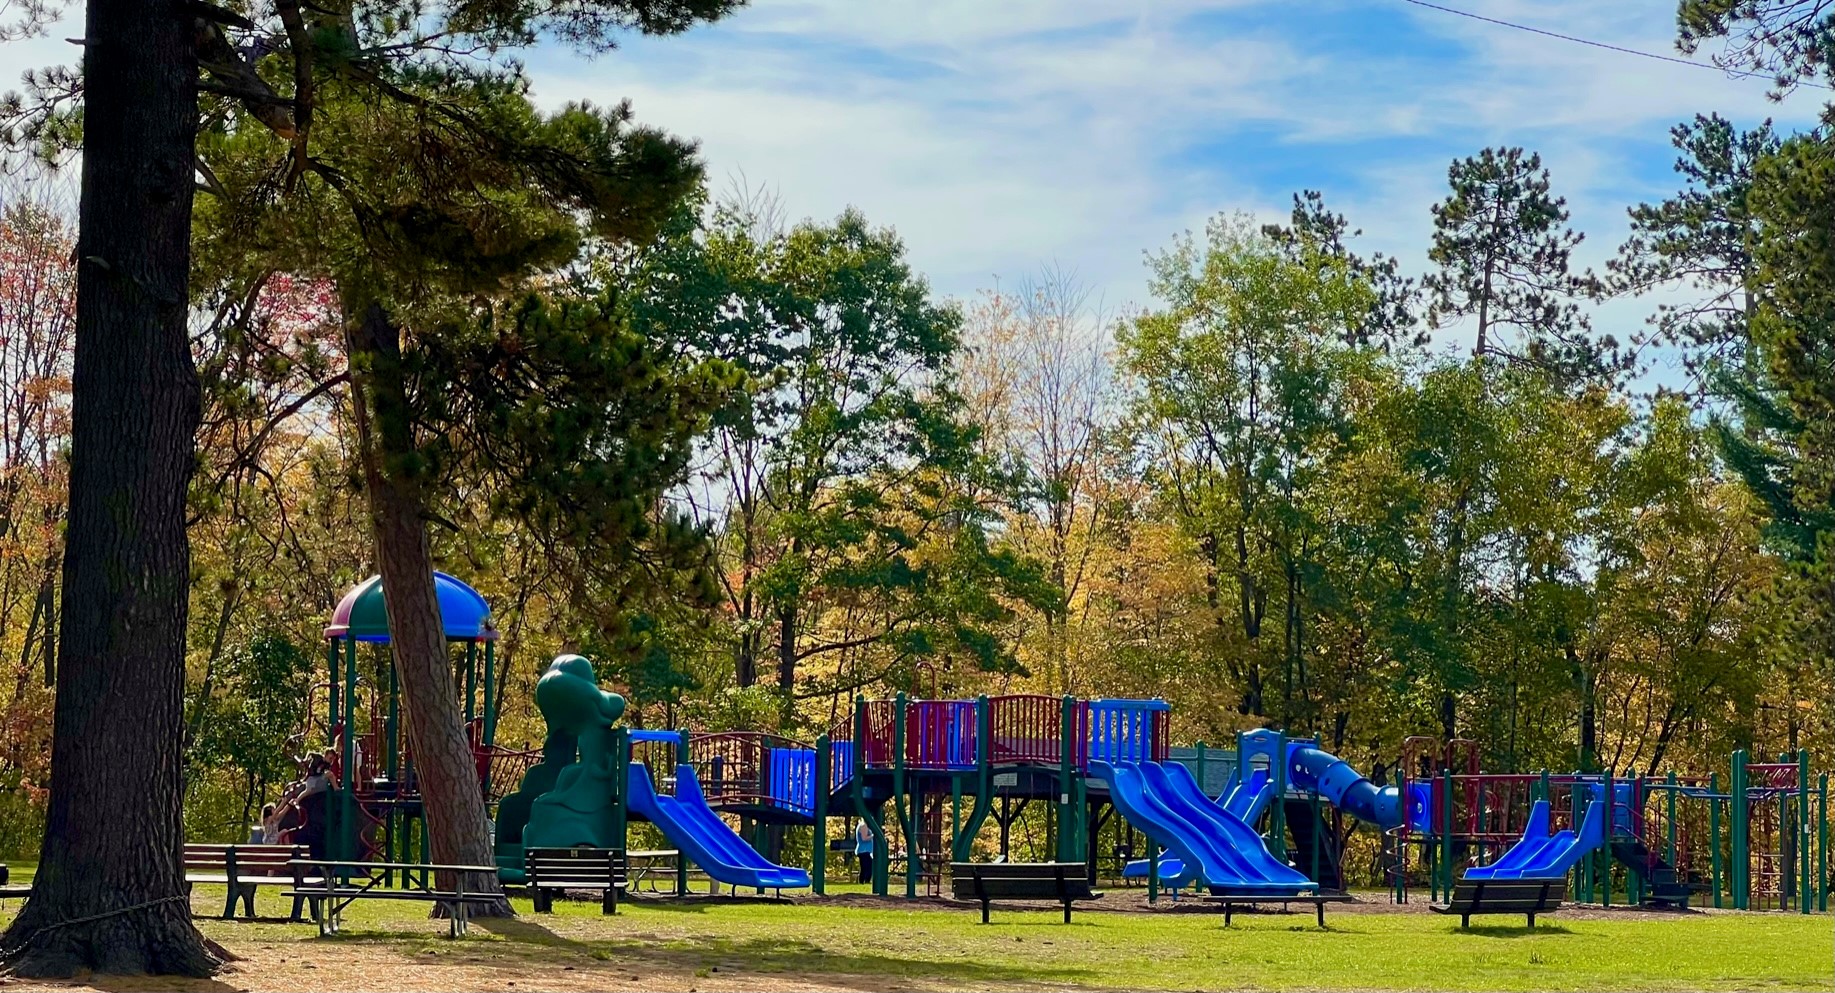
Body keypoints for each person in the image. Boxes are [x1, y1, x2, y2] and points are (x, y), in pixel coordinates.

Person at [854, 819, 875, 884]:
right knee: (867, 867)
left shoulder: (863, 825)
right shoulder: (863, 825)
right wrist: (873, 835)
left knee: (865, 867)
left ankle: (864, 881)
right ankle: (865, 881)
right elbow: (864, 838)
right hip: (864, 850)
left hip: (865, 850)